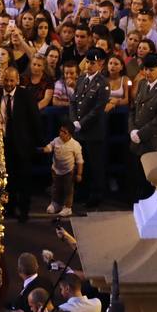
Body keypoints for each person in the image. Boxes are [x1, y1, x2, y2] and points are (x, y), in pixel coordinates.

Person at [127, 52, 157, 201]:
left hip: (153, 143)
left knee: (150, 183)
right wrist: (132, 129)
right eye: (145, 69)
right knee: (137, 177)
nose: (147, 73)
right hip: (137, 141)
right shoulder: (141, 84)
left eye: (151, 69)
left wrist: (140, 134)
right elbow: (134, 109)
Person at [68, 47, 110, 207]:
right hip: (79, 130)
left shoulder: (103, 83)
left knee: (95, 164)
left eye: (92, 63)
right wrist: (73, 121)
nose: (88, 66)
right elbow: (73, 101)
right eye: (87, 62)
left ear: (100, 63)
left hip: (93, 131)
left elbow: (98, 109)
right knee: (81, 162)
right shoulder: (81, 79)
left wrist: (81, 123)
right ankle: (82, 191)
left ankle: (96, 194)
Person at [1, 66, 42, 223]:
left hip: (23, 145)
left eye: (11, 80)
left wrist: (38, 143)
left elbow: (35, 119)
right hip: (3, 144)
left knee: (24, 179)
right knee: (8, 179)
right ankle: (9, 208)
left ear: (17, 80)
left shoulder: (26, 95)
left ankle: (24, 211)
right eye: (6, 80)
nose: (8, 83)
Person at [42, 124, 83, 217]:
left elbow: (79, 160)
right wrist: (45, 149)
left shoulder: (75, 145)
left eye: (64, 132)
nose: (61, 133)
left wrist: (79, 174)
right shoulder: (56, 140)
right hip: (56, 170)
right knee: (56, 188)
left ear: (70, 135)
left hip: (69, 172)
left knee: (68, 190)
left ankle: (67, 207)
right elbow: (49, 146)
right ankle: (56, 204)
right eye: (60, 131)